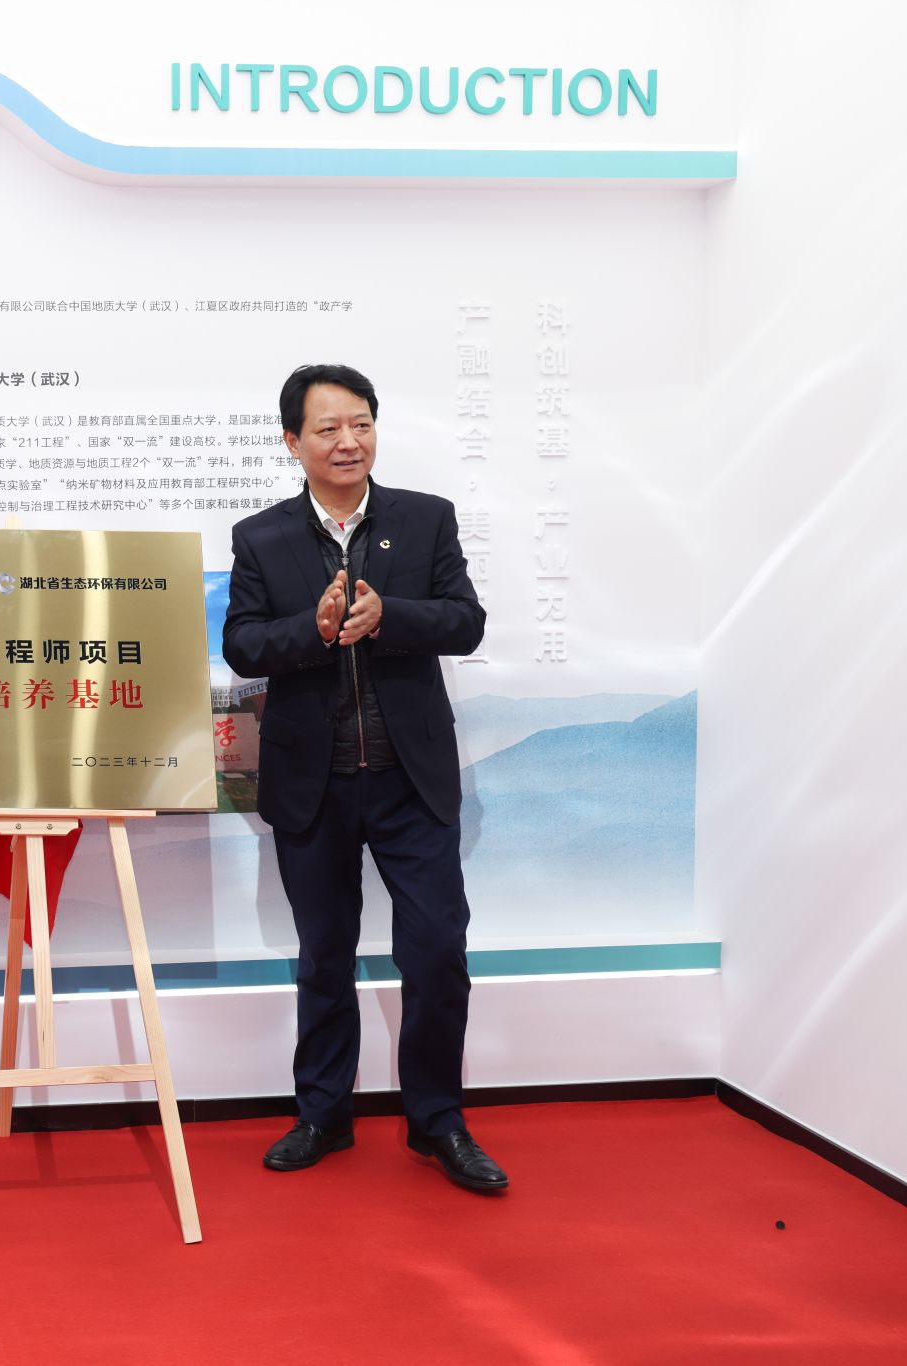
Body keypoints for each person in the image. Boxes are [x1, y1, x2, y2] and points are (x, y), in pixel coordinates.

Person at [222, 364, 508, 1194]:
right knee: (324, 955)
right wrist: (310, 632)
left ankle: (438, 1122)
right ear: (293, 442)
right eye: (328, 428)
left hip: (409, 780)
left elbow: (465, 621)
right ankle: (323, 1114)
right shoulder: (261, 537)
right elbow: (243, 643)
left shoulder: (425, 519)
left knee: (437, 952)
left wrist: (391, 617)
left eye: (361, 424)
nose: (348, 441)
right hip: (313, 783)